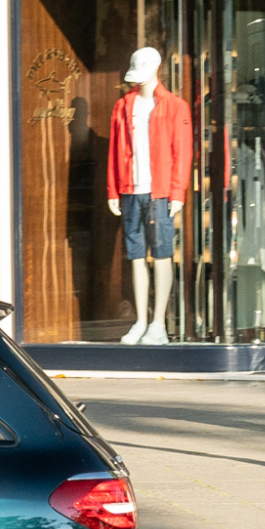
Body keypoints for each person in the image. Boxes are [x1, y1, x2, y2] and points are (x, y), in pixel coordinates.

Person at [103, 46, 190, 344]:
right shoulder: (122, 106)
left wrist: (178, 192)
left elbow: (182, 152)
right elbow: (114, 150)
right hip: (130, 190)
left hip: (161, 192)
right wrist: (113, 189)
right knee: (136, 256)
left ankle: (158, 324)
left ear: (156, 69)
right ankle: (141, 320)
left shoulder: (176, 106)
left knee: (162, 254)